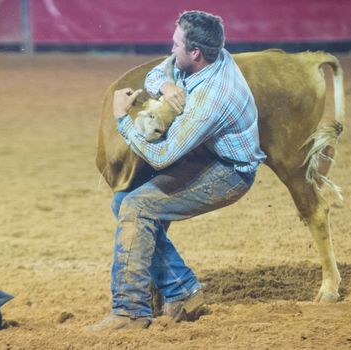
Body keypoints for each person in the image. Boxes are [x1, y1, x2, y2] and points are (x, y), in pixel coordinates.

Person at [91, 10, 266, 331]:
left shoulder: (213, 99)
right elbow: (160, 70)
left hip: (229, 173)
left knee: (136, 206)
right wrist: (168, 84)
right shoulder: (211, 55)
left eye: (176, 45)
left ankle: (130, 312)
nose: (171, 49)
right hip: (207, 159)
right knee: (124, 203)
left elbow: (162, 156)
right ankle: (182, 291)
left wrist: (121, 118)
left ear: (195, 53)